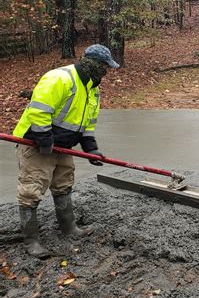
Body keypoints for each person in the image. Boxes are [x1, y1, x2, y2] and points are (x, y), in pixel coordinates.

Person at [12, 44, 119, 258]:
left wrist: (91, 149)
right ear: (93, 63)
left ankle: (69, 228)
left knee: (63, 184)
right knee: (31, 189)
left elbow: (87, 123)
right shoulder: (60, 78)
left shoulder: (93, 89)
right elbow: (39, 109)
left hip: (63, 146)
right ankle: (31, 241)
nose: (106, 72)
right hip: (36, 143)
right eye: (104, 67)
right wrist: (44, 140)